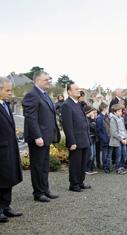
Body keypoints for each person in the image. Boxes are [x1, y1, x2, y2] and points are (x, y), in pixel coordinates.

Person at [22, 71, 60, 202]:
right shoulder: (32, 95)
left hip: (46, 137)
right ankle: (38, 193)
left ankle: (45, 189)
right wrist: (37, 136)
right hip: (38, 138)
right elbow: (31, 117)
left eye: (49, 79)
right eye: (46, 80)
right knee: (38, 166)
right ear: (37, 81)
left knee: (44, 166)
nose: (48, 81)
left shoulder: (45, 95)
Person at [61, 83, 92, 192]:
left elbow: (83, 121)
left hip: (84, 139)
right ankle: (74, 184)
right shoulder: (66, 105)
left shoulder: (78, 104)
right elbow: (67, 125)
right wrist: (71, 141)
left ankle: (80, 182)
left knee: (83, 163)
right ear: (69, 92)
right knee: (75, 164)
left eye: (79, 88)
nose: (79, 90)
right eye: (76, 89)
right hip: (76, 141)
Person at [0, 77, 23, 223]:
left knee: (8, 178)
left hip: (9, 147)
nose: (10, 93)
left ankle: (5, 206)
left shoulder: (5, 105)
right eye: (7, 90)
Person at [108, 104, 127, 174]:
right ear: (114, 112)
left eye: (121, 111)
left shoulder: (121, 119)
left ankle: (122, 166)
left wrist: (126, 138)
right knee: (118, 155)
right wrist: (121, 139)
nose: (121, 112)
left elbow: (124, 129)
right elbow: (114, 132)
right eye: (119, 111)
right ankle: (118, 168)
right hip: (117, 141)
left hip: (123, 139)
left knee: (124, 154)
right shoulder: (113, 119)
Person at [96, 102, 111, 173]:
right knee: (105, 153)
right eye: (107, 108)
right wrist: (104, 138)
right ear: (104, 109)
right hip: (105, 139)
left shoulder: (106, 116)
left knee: (108, 153)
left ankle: (108, 166)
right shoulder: (99, 118)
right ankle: (105, 167)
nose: (108, 109)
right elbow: (99, 130)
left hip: (109, 137)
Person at [84, 106, 98, 175]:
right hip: (89, 138)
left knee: (94, 154)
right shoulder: (86, 119)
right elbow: (92, 127)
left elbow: (95, 128)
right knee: (90, 154)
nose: (94, 114)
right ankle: (87, 169)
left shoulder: (92, 119)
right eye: (93, 112)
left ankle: (91, 168)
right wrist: (92, 119)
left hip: (93, 138)